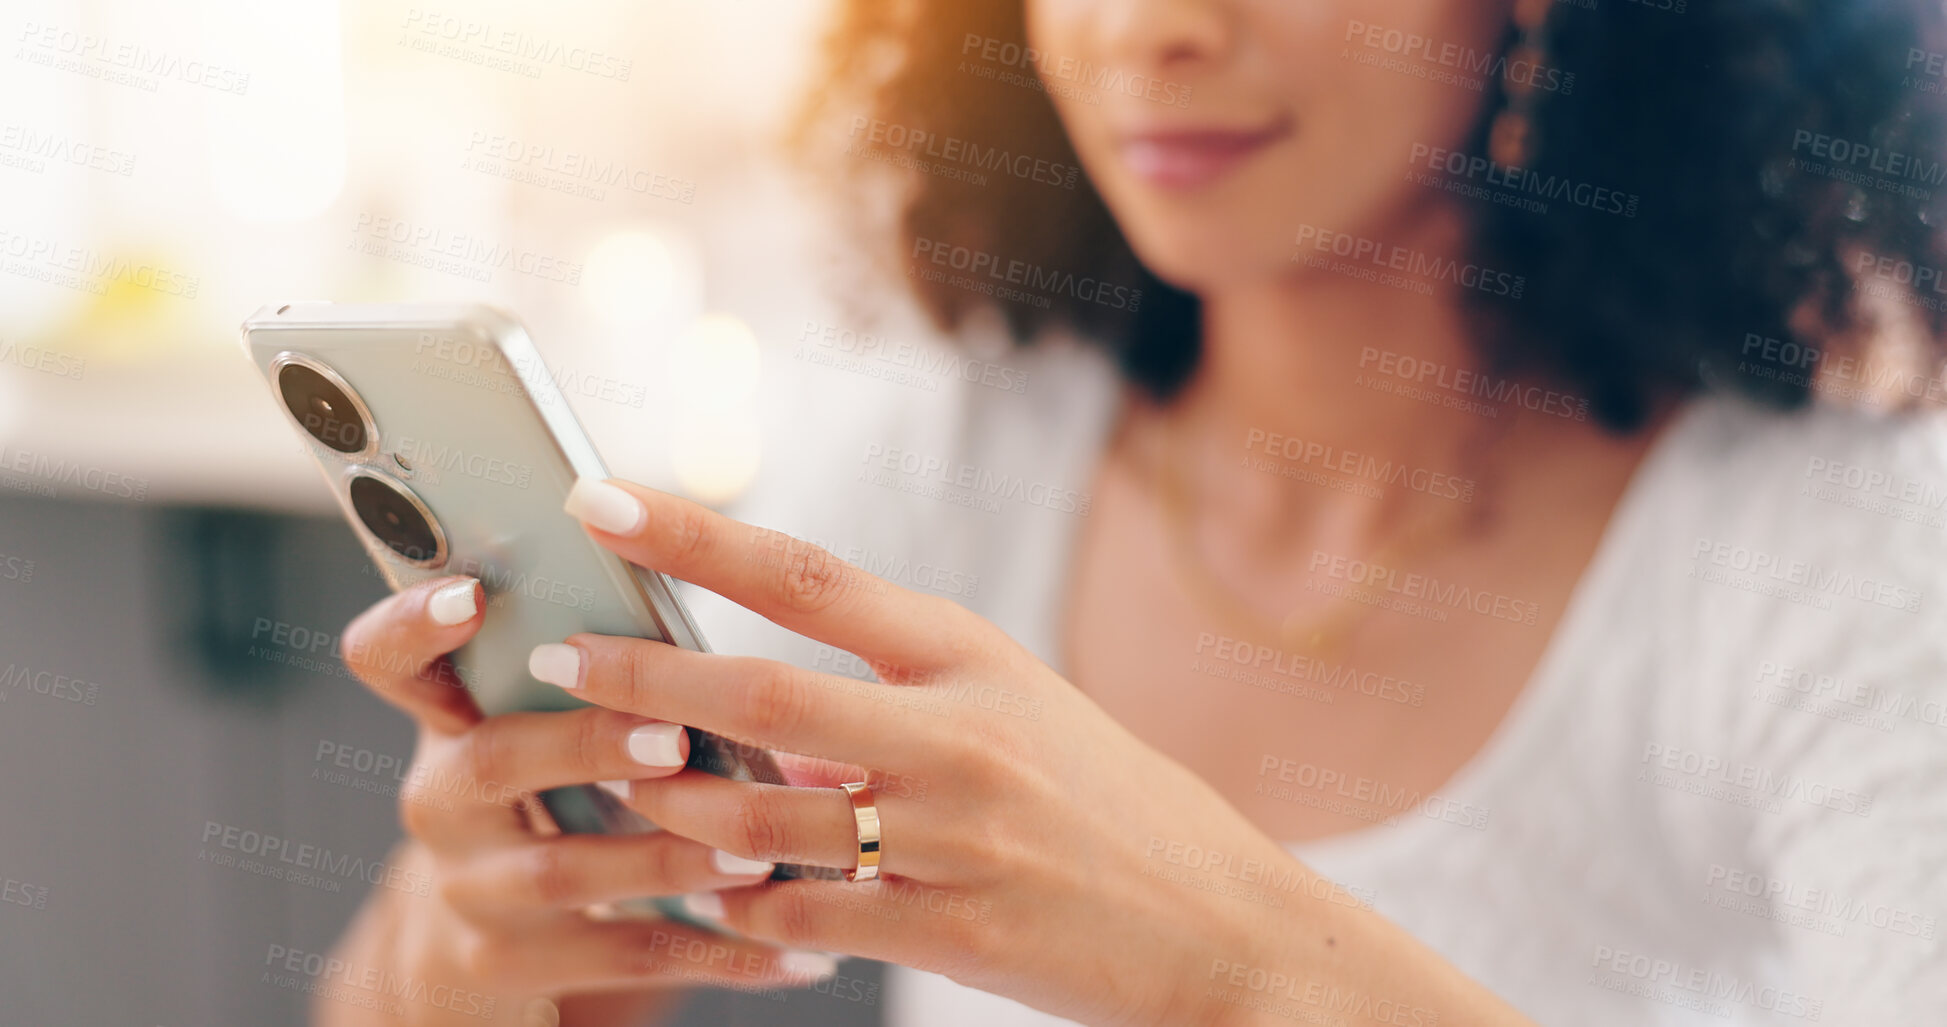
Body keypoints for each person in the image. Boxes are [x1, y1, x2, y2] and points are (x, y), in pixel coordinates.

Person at [319, 0, 1947, 1023]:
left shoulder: (1844, 554)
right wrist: (480, 953)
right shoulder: (954, 452)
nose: (1149, 25)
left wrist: (1226, 965)